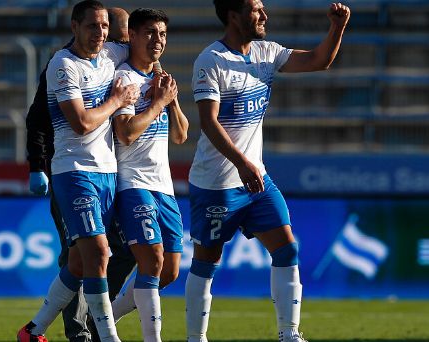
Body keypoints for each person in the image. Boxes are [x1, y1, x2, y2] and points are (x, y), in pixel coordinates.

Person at [185, 1, 350, 341]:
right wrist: (241, 162)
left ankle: (289, 333)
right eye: (255, 10)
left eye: (263, 9)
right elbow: (208, 122)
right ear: (233, 15)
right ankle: (195, 338)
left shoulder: (267, 52)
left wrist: (337, 27)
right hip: (217, 183)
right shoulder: (211, 60)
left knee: (287, 248)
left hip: (256, 179)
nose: (264, 16)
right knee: (206, 261)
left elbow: (319, 60)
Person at [18, 1, 140, 341]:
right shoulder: (62, 64)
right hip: (72, 172)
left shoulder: (109, 56)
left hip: (108, 174)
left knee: (79, 261)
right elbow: (80, 123)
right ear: (74, 27)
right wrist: (35, 165)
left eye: (105, 28)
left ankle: (33, 330)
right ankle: (95, 334)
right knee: (96, 252)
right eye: (93, 26)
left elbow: (145, 45)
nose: (101, 34)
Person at [109, 8, 188, 342]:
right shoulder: (124, 79)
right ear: (133, 36)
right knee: (153, 260)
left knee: (168, 271)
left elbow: (181, 135)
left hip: (164, 187)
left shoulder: (160, 80)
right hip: (133, 184)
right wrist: (156, 103)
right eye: (151, 33)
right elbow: (125, 133)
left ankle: (105, 320)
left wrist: (170, 101)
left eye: (163, 34)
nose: (158, 41)